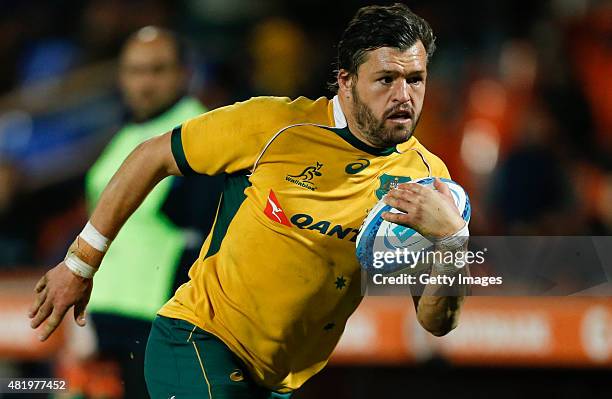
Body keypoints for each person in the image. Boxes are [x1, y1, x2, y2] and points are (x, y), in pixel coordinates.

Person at [29, 4, 469, 398]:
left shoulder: (427, 182)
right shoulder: (275, 125)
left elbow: (436, 322)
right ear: (346, 82)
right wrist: (79, 264)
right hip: (198, 341)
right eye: (386, 79)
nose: (404, 96)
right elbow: (151, 155)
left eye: (415, 79)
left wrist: (453, 243)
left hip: (275, 382)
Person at [69, 26, 222, 398]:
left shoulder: (200, 134)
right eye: (135, 71)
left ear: (184, 73)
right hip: (107, 318)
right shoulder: (127, 134)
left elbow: (205, 230)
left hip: (159, 320)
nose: (145, 82)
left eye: (158, 70)